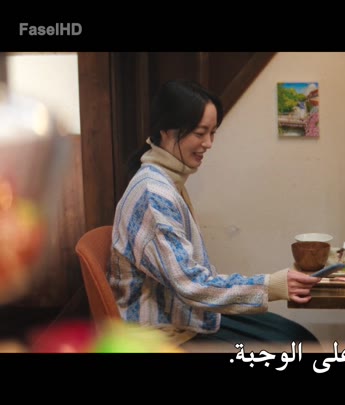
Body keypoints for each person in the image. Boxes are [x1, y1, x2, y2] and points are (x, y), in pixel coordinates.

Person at [109, 80, 321, 347]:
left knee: (297, 336)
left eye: (212, 132)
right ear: (166, 130)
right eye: (200, 133)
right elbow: (192, 285)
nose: (208, 143)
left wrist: (272, 285)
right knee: (297, 344)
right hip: (162, 332)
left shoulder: (165, 180)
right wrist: (272, 285)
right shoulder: (154, 195)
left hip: (187, 316)